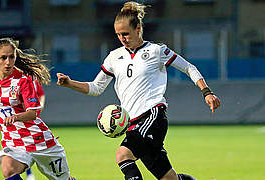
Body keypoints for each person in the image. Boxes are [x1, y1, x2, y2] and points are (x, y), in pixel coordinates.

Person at [56, 1, 221, 180]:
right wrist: (69, 83)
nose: (122, 38)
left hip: (153, 116)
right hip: (131, 124)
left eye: (125, 33)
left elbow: (189, 68)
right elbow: (96, 88)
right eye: (118, 34)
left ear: (138, 28)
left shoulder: (156, 51)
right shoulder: (114, 57)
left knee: (122, 155)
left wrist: (207, 92)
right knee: (169, 178)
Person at [0, 37, 77, 180]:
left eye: (11, 57)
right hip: (13, 141)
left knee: (63, 179)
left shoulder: (23, 81)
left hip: (39, 141)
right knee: (8, 169)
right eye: (3, 58)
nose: (8, 62)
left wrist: (16, 117)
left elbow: (33, 113)